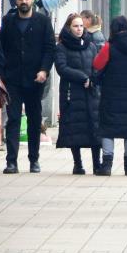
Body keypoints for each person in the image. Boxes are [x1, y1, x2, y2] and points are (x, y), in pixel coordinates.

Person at [0, 0, 55, 174]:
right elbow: (0, 49)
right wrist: (1, 75)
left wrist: (44, 70)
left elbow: (49, 49)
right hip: (12, 79)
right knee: (13, 119)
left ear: (32, 0)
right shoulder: (8, 21)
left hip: (35, 79)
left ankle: (34, 160)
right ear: (16, 1)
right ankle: (11, 162)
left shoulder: (43, 21)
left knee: (34, 120)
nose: (24, 2)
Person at [93, 16, 127, 176]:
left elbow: (97, 64)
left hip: (111, 94)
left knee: (108, 128)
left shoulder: (109, 47)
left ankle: (107, 166)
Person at [55, 13, 101, 175]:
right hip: (72, 92)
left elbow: (97, 65)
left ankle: (97, 163)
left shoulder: (91, 45)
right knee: (75, 128)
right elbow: (62, 68)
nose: (79, 29)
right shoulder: (62, 46)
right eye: (75, 26)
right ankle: (78, 163)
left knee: (95, 127)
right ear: (69, 27)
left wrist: (93, 79)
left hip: (91, 91)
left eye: (81, 25)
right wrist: (83, 77)